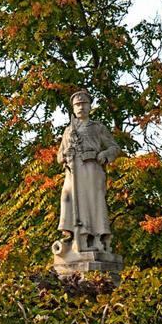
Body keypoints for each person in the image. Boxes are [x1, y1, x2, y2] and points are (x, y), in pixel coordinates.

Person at [56, 90, 121, 253]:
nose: (81, 107)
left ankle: (95, 237)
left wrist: (104, 155)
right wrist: (65, 155)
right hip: (72, 171)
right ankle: (71, 233)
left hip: (91, 168)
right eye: (77, 104)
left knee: (92, 202)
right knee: (66, 198)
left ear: (90, 106)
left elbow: (114, 148)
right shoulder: (68, 130)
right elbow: (59, 155)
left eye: (84, 104)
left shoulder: (98, 127)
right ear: (73, 108)